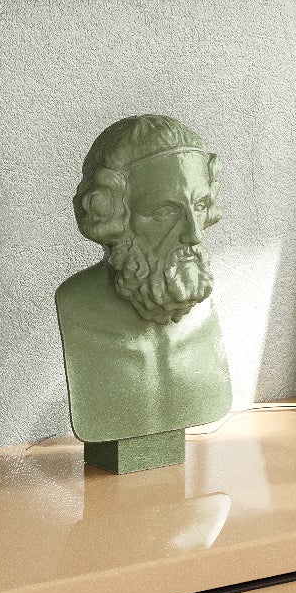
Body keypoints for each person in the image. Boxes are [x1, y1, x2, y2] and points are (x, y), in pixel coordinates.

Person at [53, 114, 231, 473]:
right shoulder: (77, 304)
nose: (194, 234)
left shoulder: (199, 296)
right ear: (116, 216)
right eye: (165, 211)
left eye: (198, 206)